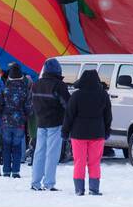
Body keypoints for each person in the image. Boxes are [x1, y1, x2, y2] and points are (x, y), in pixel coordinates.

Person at [63, 68, 112, 196]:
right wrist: (107, 130)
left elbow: (69, 115)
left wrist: (65, 131)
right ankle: (94, 189)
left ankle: (79, 189)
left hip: (78, 134)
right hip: (97, 133)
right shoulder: (103, 95)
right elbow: (108, 115)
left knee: (79, 161)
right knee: (95, 162)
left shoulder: (76, 95)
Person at [30, 58, 70, 192]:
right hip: (55, 123)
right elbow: (67, 104)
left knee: (39, 152)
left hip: (41, 122)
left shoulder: (36, 84)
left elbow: (33, 103)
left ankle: (35, 182)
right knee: (52, 154)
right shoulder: (59, 85)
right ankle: (49, 183)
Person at [0, 64, 32, 179]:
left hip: (6, 122)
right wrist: (25, 116)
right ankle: (16, 171)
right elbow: (28, 108)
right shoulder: (25, 91)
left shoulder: (4, 90)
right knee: (17, 147)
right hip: (19, 123)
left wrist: (2, 115)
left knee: (6, 147)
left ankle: (6, 171)